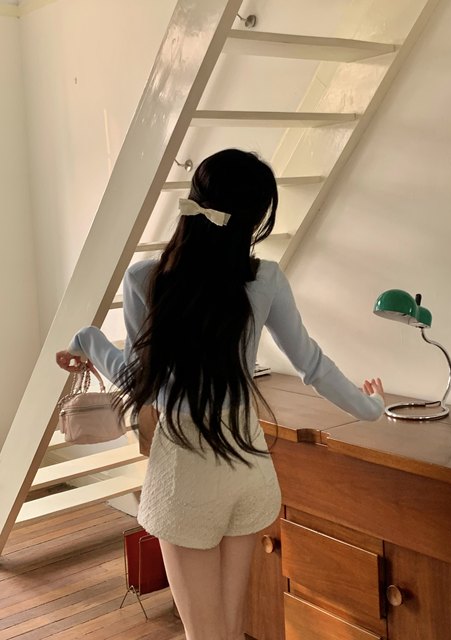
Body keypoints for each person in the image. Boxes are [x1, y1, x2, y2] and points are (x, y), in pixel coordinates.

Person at [56, 148, 384, 640]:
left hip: (187, 475)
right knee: (228, 631)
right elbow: (313, 366)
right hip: (248, 467)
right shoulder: (265, 279)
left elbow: (141, 382)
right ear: (254, 220)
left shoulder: (146, 278)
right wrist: (371, 407)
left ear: (194, 200)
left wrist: (88, 339)